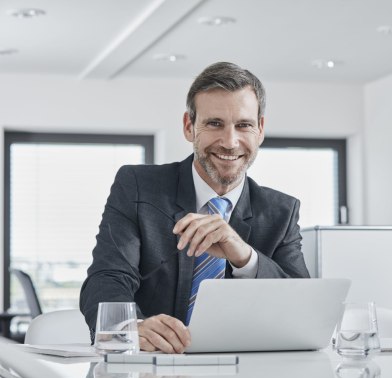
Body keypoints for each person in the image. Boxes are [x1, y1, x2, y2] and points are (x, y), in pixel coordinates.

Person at [80, 62, 310, 354]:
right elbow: (107, 277)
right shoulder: (138, 186)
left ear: (260, 130)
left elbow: (302, 307)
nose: (230, 141)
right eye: (214, 123)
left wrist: (245, 257)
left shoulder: (281, 211)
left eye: (243, 125)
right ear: (189, 126)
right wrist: (129, 328)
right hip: (156, 368)